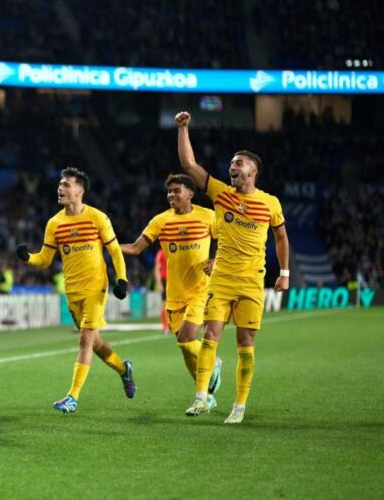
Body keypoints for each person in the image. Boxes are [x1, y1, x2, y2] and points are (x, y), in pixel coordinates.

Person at [174, 111, 290, 424]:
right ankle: (201, 396)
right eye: (231, 164)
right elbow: (190, 166)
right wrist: (183, 128)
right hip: (222, 279)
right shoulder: (221, 195)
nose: (232, 167)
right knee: (210, 335)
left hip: (252, 282)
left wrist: (284, 273)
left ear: (253, 171)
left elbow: (281, 236)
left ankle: (239, 406)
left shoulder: (270, 203)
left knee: (245, 344)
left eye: (238, 163)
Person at [15, 167, 136, 414]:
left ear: (80, 191)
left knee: (85, 339)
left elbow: (114, 251)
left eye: (66, 184)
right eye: (60, 184)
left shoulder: (97, 217)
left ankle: (72, 397)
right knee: (95, 343)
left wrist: (121, 279)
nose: (60, 188)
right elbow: (46, 259)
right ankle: (124, 370)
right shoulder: (55, 223)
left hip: (96, 287)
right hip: (72, 290)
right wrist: (28, 258)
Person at [121, 174, 222, 406]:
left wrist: (215, 258)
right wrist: (108, 245)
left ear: (190, 193)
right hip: (175, 295)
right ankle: (205, 395)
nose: (171, 195)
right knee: (185, 349)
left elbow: (225, 239)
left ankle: (213, 360)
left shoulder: (207, 216)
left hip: (200, 290)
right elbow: (136, 248)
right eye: (169, 192)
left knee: (188, 339)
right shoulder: (160, 221)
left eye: (177, 191)